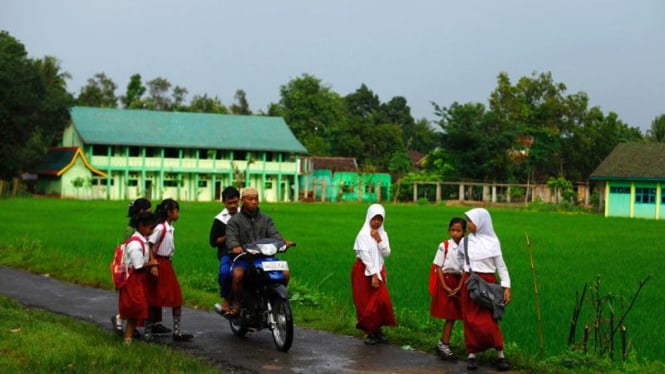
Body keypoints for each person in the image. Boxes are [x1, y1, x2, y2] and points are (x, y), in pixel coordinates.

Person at [225, 186, 293, 316]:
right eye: (250, 199)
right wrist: (236, 247)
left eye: (256, 199)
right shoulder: (235, 221)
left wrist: (283, 242)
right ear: (243, 200)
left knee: (285, 273)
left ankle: (276, 299)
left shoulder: (266, 219)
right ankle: (237, 303)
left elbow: (275, 234)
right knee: (238, 275)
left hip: (266, 258)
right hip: (245, 258)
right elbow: (231, 239)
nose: (254, 202)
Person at [460, 208, 511, 371]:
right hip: (471, 283)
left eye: (471, 221)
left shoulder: (493, 242)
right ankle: (472, 354)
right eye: (467, 221)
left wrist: (506, 286)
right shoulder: (465, 242)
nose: (468, 225)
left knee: (490, 320)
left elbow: (501, 266)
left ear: (481, 222)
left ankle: (500, 354)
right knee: (469, 320)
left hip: (488, 283)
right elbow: (460, 258)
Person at [145, 198, 193, 341]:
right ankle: (148, 331)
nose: (178, 214)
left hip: (166, 263)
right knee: (154, 296)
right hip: (158, 263)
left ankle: (177, 331)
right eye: (176, 211)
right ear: (169, 212)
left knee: (175, 296)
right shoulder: (161, 228)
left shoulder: (169, 227)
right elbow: (149, 244)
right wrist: (153, 263)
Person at [351, 203, 396, 345]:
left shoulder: (383, 234)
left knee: (381, 302)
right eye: (374, 218)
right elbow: (365, 256)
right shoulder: (362, 235)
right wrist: (373, 275)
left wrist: (379, 239)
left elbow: (387, 253)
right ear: (369, 217)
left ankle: (377, 330)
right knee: (365, 303)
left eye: (380, 219)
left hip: (379, 269)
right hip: (363, 271)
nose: (377, 222)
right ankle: (370, 332)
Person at [112, 197, 153, 337]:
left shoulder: (138, 230)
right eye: (148, 210)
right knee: (134, 304)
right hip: (133, 273)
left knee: (136, 304)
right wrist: (151, 263)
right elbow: (136, 261)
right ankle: (121, 321)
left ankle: (128, 331)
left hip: (135, 270)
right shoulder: (133, 234)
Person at [119, 210, 159, 345]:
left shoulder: (142, 240)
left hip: (138, 279)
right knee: (135, 308)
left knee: (136, 309)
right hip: (133, 280)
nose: (152, 231)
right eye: (150, 228)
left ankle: (128, 338)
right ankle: (127, 338)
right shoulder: (136, 244)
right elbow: (138, 265)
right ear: (141, 226)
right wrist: (152, 263)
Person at [429, 217, 466, 360]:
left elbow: (465, 268)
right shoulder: (444, 245)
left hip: (458, 282)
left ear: (464, 232)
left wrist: (460, 285)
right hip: (446, 281)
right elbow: (438, 266)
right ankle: (444, 344)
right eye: (452, 230)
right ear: (449, 230)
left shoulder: (466, 247)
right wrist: (444, 286)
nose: (455, 233)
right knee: (450, 315)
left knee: (455, 316)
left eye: (458, 230)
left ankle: (443, 343)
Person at [209, 186, 241, 315]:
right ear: (224, 202)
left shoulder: (245, 214)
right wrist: (228, 236)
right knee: (225, 273)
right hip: (227, 252)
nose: (233, 205)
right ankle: (226, 299)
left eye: (235, 202)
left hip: (245, 251)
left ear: (239, 200)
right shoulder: (220, 220)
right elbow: (213, 242)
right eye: (229, 203)